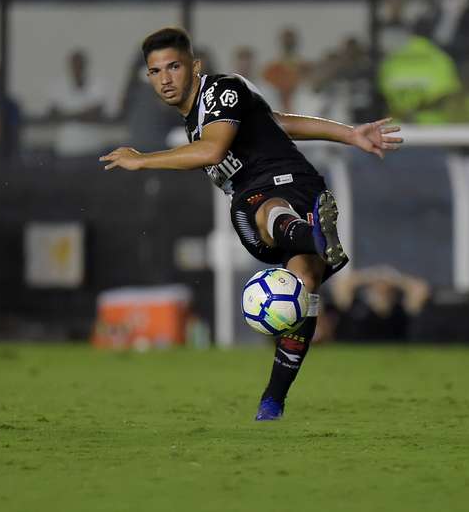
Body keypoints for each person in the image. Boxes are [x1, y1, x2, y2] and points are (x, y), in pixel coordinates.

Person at [99, 27, 402, 421]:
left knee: (276, 225)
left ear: (196, 65)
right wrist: (349, 134)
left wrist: (142, 159)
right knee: (301, 286)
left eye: (174, 66)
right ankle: (312, 242)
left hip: (271, 188)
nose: (166, 79)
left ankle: (309, 240)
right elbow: (277, 122)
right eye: (156, 71)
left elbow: (212, 150)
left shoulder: (221, 90)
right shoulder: (199, 117)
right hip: (298, 192)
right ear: (149, 77)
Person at [47, 49, 109, 157]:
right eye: (74, 64)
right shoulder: (58, 86)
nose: (77, 67)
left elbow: (96, 113)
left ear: (85, 65)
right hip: (66, 148)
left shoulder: (98, 85)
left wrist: (67, 114)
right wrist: (82, 114)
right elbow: (53, 114)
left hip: (93, 148)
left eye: (80, 64)